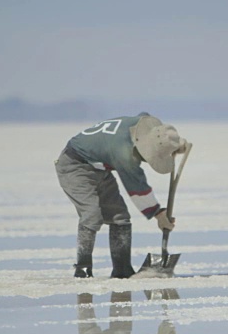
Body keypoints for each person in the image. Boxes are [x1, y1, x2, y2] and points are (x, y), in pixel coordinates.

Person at [55, 112, 187, 279]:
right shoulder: (124, 154)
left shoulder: (142, 126)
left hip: (100, 166)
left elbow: (151, 123)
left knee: (120, 217)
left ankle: (122, 270)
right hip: (74, 165)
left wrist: (174, 145)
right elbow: (137, 189)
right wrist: (158, 214)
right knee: (91, 214)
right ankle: (83, 269)